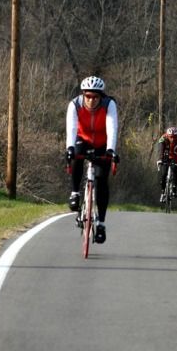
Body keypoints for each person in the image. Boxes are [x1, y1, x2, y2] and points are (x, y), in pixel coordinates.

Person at [66, 75, 119, 244]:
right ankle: (75, 193)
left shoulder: (109, 104)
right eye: (88, 96)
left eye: (95, 97)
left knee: (102, 181)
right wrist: (70, 148)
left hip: (103, 143)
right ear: (83, 95)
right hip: (83, 138)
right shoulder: (75, 104)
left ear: (101, 96)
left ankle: (101, 224)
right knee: (76, 156)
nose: (91, 100)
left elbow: (112, 127)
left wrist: (111, 150)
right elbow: (72, 128)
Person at [157, 126, 177, 203]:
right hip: (165, 157)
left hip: (175, 157)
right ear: (167, 135)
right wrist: (160, 159)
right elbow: (160, 149)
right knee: (164, 174)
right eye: (171, 137)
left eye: (174, 137)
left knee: (175, 169)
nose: (173, 138)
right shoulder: (163, 138)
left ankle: (174, 188)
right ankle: (163, 192)